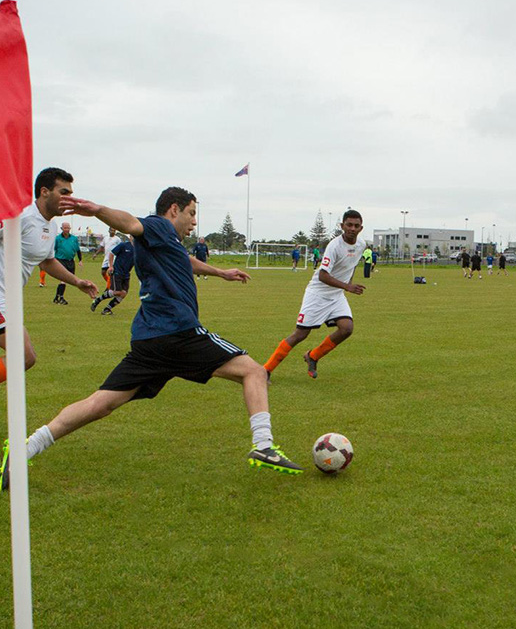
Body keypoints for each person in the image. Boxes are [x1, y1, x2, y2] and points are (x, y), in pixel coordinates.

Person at [2, 186, 301, 492]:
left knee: (101, 403)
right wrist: (96, 210)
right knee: (254, 371)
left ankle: (26, 446)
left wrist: (221, 272)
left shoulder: (166, 241)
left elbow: (185, 261)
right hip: (178, 331)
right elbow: (131, 223)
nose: (194, 222)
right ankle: (264, 444)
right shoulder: (157, 225)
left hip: (150, 339)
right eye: (192, 213)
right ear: (174, 209)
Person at [0, 168, 98, 385]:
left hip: (10, 302)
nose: (69, 199)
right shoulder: (20, 215)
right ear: (44, 191)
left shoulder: (50, 226)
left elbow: (46, 261)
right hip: (1, 301)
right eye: (64, 193)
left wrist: (77, 281)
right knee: (23, 356)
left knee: (24, 358)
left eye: (71, 194)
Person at [264, 210, 366, 380]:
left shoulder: (361, 245)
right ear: (342, 226)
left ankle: (313, 356)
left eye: (356, 226)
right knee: (300, 334)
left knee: (347, 328)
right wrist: (347, 286)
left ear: (361, 228)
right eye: (349, 225)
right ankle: (265, 370)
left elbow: (352, 264)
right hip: (318, 294)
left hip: (337, 294)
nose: (352, 228)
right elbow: (323, 275)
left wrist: (346, 286)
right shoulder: (334, 246)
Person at [91, 236, 134, 315]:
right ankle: (98, 300)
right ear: (130, 237)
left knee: (123, 293)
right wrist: (111, 266)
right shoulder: (123, 245)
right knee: (117, 292)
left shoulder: (139, 249)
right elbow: (111, 253)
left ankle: (107, 309)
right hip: (117, 271)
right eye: (133, 236)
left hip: (126, 273)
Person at [52, 221, 84, 304]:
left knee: (67, 279)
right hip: (60, 260)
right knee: (63, 279)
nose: (66, 229)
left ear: (70, 228)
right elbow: (53, 249)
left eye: (68, 228)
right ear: (62, 228)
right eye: (65, 228)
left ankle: (56, 297)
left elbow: (78, 250)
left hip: (70, 261)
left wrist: (80, 260)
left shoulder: (74, 239)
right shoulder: (57, 239)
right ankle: (61, 298)